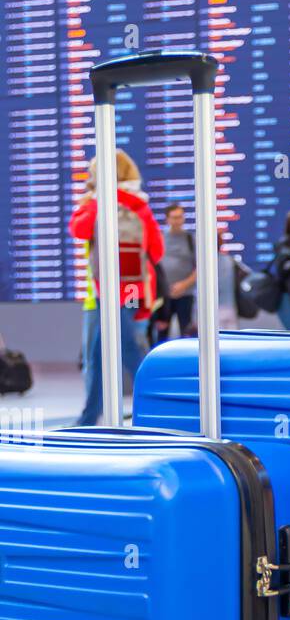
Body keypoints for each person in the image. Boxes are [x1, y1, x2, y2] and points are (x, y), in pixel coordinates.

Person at [69, 150, 163, 426]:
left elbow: (79, 230)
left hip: (106, 292)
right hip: (135, 293)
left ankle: (158, 403)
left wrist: (95, 201)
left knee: (124, 349)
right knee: (121, 347)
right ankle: (91, 415)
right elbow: (156, 251)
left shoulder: (98, 203)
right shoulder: (140, 205)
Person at [153, 203, 196, 341]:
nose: (177, 220)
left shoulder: (191, 239)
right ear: (167, 219)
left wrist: (184, 284)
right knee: (161, 332)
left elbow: (200, 268)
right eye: (174, 217)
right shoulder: (159, 238)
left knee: (186, 332)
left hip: (185, 294)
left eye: (180, 217)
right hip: (163, 295)